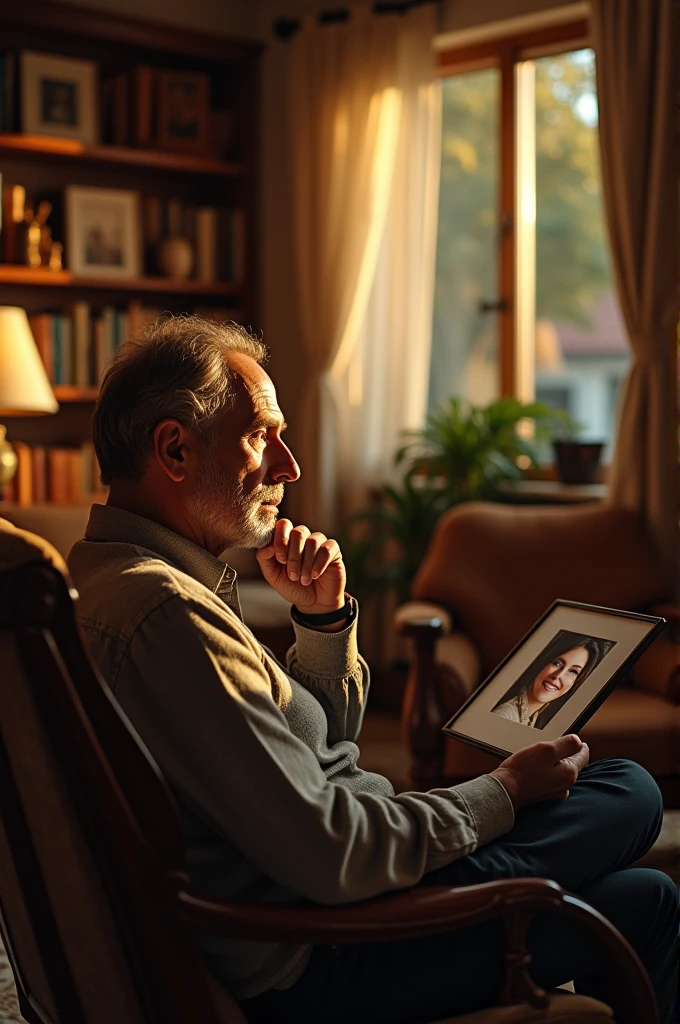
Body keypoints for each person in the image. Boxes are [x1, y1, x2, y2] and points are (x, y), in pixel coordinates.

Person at [67, 316, 678, 1024]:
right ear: (174, 448)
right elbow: (332, 852)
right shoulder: (164, 612)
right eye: (262, 433)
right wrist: (501, 790)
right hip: (326, 948)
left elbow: (314, 751)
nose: (289, 465)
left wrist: (322, 621)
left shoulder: (113, 582)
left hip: (323, 895)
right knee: (629, 794)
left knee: (644, 887)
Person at [492, 632, 611, 729]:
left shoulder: (532, 718)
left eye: (573, 671)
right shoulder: (505, 715)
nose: (558, 675)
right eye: (557, 663)